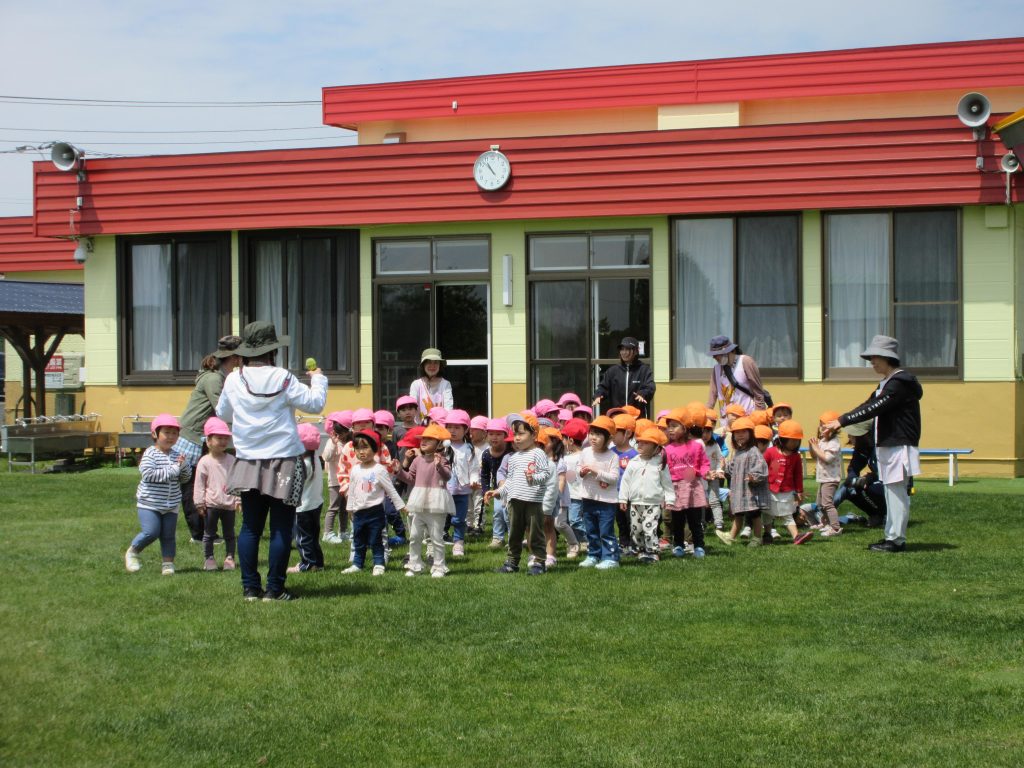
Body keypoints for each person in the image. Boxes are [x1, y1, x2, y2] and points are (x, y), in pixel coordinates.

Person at [216, 321, 328, 602]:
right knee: (281, 526)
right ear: (272, 350)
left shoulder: (234, 379)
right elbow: (314, 404)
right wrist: (318, 379)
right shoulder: (283, 377)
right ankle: (275, 589)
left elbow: (223, 413)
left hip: (247, 460)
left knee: (250, 527)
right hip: (284, 459)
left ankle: (250, 588)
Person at [823, 335, 922, 553]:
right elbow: (868, 404)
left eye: (875, 357)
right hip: (889, 445)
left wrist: (842, 421)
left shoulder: (899, 383)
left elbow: (874, 407)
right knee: (892, 493)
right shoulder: (887, 382)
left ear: (888, 357)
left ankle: (896, 540)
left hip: (898, 446)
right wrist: (841, 420)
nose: (872, 362)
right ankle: (891, 537)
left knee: (896, 494)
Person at [174, 335, 242, 543]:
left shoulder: (218, 376)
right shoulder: (214, 379)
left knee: (200, 482)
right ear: (235, 357)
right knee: (192, 486)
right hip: (192, 438)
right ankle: (199, 534)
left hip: (199, 437)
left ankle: (205, 532)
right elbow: (223, 410)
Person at [124, 414, 192, 575]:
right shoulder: (150, 453)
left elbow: (185, 478)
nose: (171, 437)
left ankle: (168, 564)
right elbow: (149, 475)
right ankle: (133, 552)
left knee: (168, 535)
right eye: (166, 432)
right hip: (150, 503)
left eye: (174, 433)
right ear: (155, 434)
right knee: (151, 532)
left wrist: (184, 467)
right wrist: (175, 469)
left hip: (171, 504)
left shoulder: (177, 455)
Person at [486, 412, 551, 575]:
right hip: (514, 501)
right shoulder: (513, 458)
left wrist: (533, 478)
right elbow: (510, 481)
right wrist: (498, 492)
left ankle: (539, 562)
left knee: (535, 534)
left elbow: (545, 474)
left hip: (533, 501)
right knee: (514, 533)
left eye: (521, 434)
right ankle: (512, 563)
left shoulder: (538, 453)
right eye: (515, 434)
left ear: (534, 435)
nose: (517, 438)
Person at [342, 430, 407, 576]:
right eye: (357, 448)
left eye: (365, 447)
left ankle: (378, 563)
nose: (361, 452)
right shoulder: (355, 470)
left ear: (375, 449)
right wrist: (350, 508)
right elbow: (352, 490)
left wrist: (401, 506)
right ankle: (357, 564)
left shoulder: (379, 470)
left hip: (375, 512)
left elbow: (390, 490)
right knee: (358, 539)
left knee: (376, 539)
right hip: (358, 512)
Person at [397, 424, 454, 578]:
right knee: (415, 536)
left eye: (429, 439)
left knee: (436, 537)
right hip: (419, 503)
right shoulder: (417, 460)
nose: (424, 441)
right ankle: (415, 565)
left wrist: (439, 466)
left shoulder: (442, 460)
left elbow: (448, 476)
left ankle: (439, 566)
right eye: (423, 439)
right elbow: (410, 478)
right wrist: (399, 471)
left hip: (436, 504)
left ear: (440, 444)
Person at [619, 426, 675, 563]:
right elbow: (625, 482)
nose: (641, 444)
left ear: (656, 447)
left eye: (646, 443)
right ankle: (641, 550)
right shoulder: (633, 462)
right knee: (636, 529)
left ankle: (652, 551)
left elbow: (667, 484)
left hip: (653, 503)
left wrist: (670, 500)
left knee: (649, 528)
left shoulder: (660, 464)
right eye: (640, 442)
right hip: (635, 502)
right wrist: (623, 499)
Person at [663, 404, 710, 558]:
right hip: (676, 488)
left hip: (693, 487)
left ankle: (699, 546)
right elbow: (665, 470)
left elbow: (704, 463)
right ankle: (678, 545)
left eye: (674, 426)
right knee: (677, 520)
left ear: (685, 428)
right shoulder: (667, 449)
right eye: (669, 426)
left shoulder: (696, 446)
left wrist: (706, 473)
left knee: (695, 520)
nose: (670, 429)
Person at [192, 416, 239, 572]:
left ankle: (230, 557)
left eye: (226, 438)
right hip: (211, 504)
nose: (223, 441)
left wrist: (238, 499)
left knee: (229, 534)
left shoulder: (231, 460)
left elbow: (236, 481)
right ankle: (209, 558)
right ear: (208, 441)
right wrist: (199, 503)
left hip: (229, 504)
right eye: (219, 438)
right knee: (209, 533)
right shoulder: (204, 461)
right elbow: (199, 484)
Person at [576, 415, 622, 570]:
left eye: (598, 435)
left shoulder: (612, 456)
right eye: (591, 433)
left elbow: (614, 478)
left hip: (606, 501)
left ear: (609, 438)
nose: (593, 438)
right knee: (591, 530)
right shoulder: (585, 452)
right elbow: (578, 470)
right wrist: (581, 472)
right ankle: (593, 555)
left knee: (605, 531)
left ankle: (611, 558)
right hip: (588, 497)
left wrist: (596, 472)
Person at [715, 417, 768, 547]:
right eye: (737, 432)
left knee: (754, 514)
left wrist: (754, 477)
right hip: (739, 490)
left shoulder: (753, 451)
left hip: (751, 490)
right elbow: (732, 467)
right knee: (738, 513)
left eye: (744, 432)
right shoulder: (739, 452)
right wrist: (723, 468)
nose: (740, 435)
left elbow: (761, 467)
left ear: (751, 434)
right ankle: (731, 537)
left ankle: (757, 538)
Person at [763, 420, 813, 545]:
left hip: (787, 491)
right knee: (768, 514)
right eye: (792, 440)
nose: (795, 443)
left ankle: (796, 536)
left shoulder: (796, 456)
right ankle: (767, 534)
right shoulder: (770, 452)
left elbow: (798, 475)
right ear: (782, 439)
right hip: (769, 490)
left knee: (787, 514)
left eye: (797, 440)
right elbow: (762, 467)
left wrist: (799, 491)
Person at [287, 423, 326, 574]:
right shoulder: (315, 458)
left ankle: (308, 564)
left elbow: (294, 485)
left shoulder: (303, 463)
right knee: (313, 537)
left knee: (303, 538)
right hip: (316, 504)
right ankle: (318, 563)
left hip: (302, 507)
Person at [592, 336, 655, 419]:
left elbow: (650, 386)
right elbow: (603, 387)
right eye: (622, 349)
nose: (624, 352)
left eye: (627, 349)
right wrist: (598, 395)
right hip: (617, 417)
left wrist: (643, 393)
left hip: (637, 417)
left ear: (636, 351)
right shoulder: (613, 371)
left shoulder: (644, 370)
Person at [705, 335, 767, 418]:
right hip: (727, 421)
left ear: (728, 351)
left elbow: (758, 393)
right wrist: (705, 417)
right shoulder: (716, 369)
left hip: (747, 419)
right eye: (713, 355)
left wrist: (759, 417)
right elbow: (712, 398)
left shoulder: (745, 362)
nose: (714, 357)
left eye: (716, 354)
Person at [807, 411, 844, 537]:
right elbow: (814, 456)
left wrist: (816, 447)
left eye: (825, 426)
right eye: (821, 425)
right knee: (820, 504)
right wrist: (812, 446)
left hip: (831, 479)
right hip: (824, 478)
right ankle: (827, 524)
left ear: (834, 429)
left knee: (827, 504)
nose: (821, 428)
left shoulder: (834, 442)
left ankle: (835, 528)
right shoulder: (823, 440)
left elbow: (827, 458)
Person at [321, 410, 352, 544]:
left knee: (345, 508)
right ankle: (327, 533)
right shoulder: (331, 442)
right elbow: (326, 457)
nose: (341, 436)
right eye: (338, 433)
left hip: (347, 481)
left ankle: (343, 531)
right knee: (333, 507)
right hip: (335, 481)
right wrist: (334, 444)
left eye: (343, 432)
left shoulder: (350, 442)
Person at [480, 418, 512, 549]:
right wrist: (485, 491)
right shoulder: (486, 454)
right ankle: (498, 538)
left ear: (506, 435)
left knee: (510, 514)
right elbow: (484, 475)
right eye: (491, 434)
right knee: (498, 512)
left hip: (513, 488)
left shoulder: (511, 452)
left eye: (498, 434)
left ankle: (513, 539)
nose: (494, 437)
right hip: (497, 489)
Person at [410, 348, 454, 424]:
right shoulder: (416, 384)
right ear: (423, 365)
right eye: (429, 362)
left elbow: (448, 409)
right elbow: (412, 406)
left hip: (440, 427)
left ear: (440, 365)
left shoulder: (446, 384)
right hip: (420, 427)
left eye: (436, 362)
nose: (432, 366)